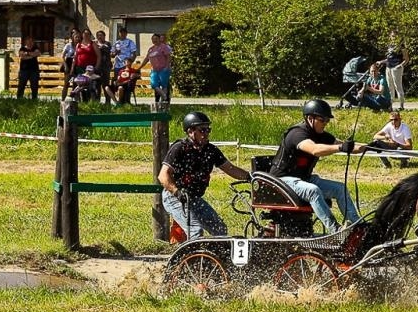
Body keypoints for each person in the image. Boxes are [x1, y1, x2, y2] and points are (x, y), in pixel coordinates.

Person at [270, 98, 370, 233]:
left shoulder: (321, 135)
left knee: (340, 188)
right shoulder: (297, 134)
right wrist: (340, 148)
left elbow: (348, 146)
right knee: (313, 191)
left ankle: (358, 226)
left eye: (327, 121)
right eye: (322, 120)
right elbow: (315, 149)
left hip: (303, 179)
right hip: (282, 181)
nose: (325, 124)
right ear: (310, 118)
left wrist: (369, 147)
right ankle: (335, 231)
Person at [158, 112, 250, 240]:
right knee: (196, 230)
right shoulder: (179, 148)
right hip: (174, 198)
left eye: (208, 130)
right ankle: (192, 259)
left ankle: (217, 257)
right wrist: (177, 192)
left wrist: (251, 177)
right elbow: (163, 176)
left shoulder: (211, 150)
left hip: (194, 198)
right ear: (190, 131)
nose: (206, 133)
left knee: (219, 228)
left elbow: (231, 169)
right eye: (202, 130)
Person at [146, 33, 173, 105]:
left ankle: (163, 103)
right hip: (154, 71)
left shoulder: (164, 47)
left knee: (164, 85)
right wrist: (139, 67)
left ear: (159, 39)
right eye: (153, 39)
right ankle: (164, 97)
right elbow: (146, 59)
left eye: (156, 39)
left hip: (163, 69)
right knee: (154, 84)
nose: (154, 40)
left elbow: (169, 57)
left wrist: (167, 67)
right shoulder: (151, 49)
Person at [384, 34, 407, 106]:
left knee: (398, 86)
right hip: (388, 67)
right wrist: (381, 62)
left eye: (395, 36)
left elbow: (406, 58)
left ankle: (401, 105)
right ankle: (390, 104)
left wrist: (400, 65)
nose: (394, 37)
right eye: (392, 36)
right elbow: (388, 58)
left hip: (396, 67)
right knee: (389, 86)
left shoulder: (402, 46)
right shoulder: (389, 45)